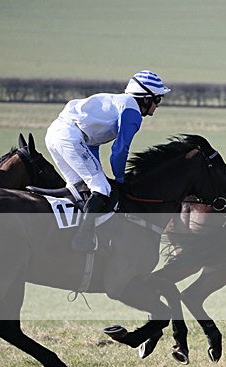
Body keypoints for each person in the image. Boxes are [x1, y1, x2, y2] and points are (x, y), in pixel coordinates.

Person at [45, 70, 171, 252]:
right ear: (145, 99)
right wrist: (120, 179)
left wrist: (100, 173)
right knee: (101, 188)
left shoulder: (118, 103)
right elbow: (119, 150)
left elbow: (92, 145)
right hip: (69, 137)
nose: (158, 105)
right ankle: (82, 239)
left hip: (55, 135)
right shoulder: (132, 112)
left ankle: (68, 232)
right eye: (157, 99)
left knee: (80, 188)